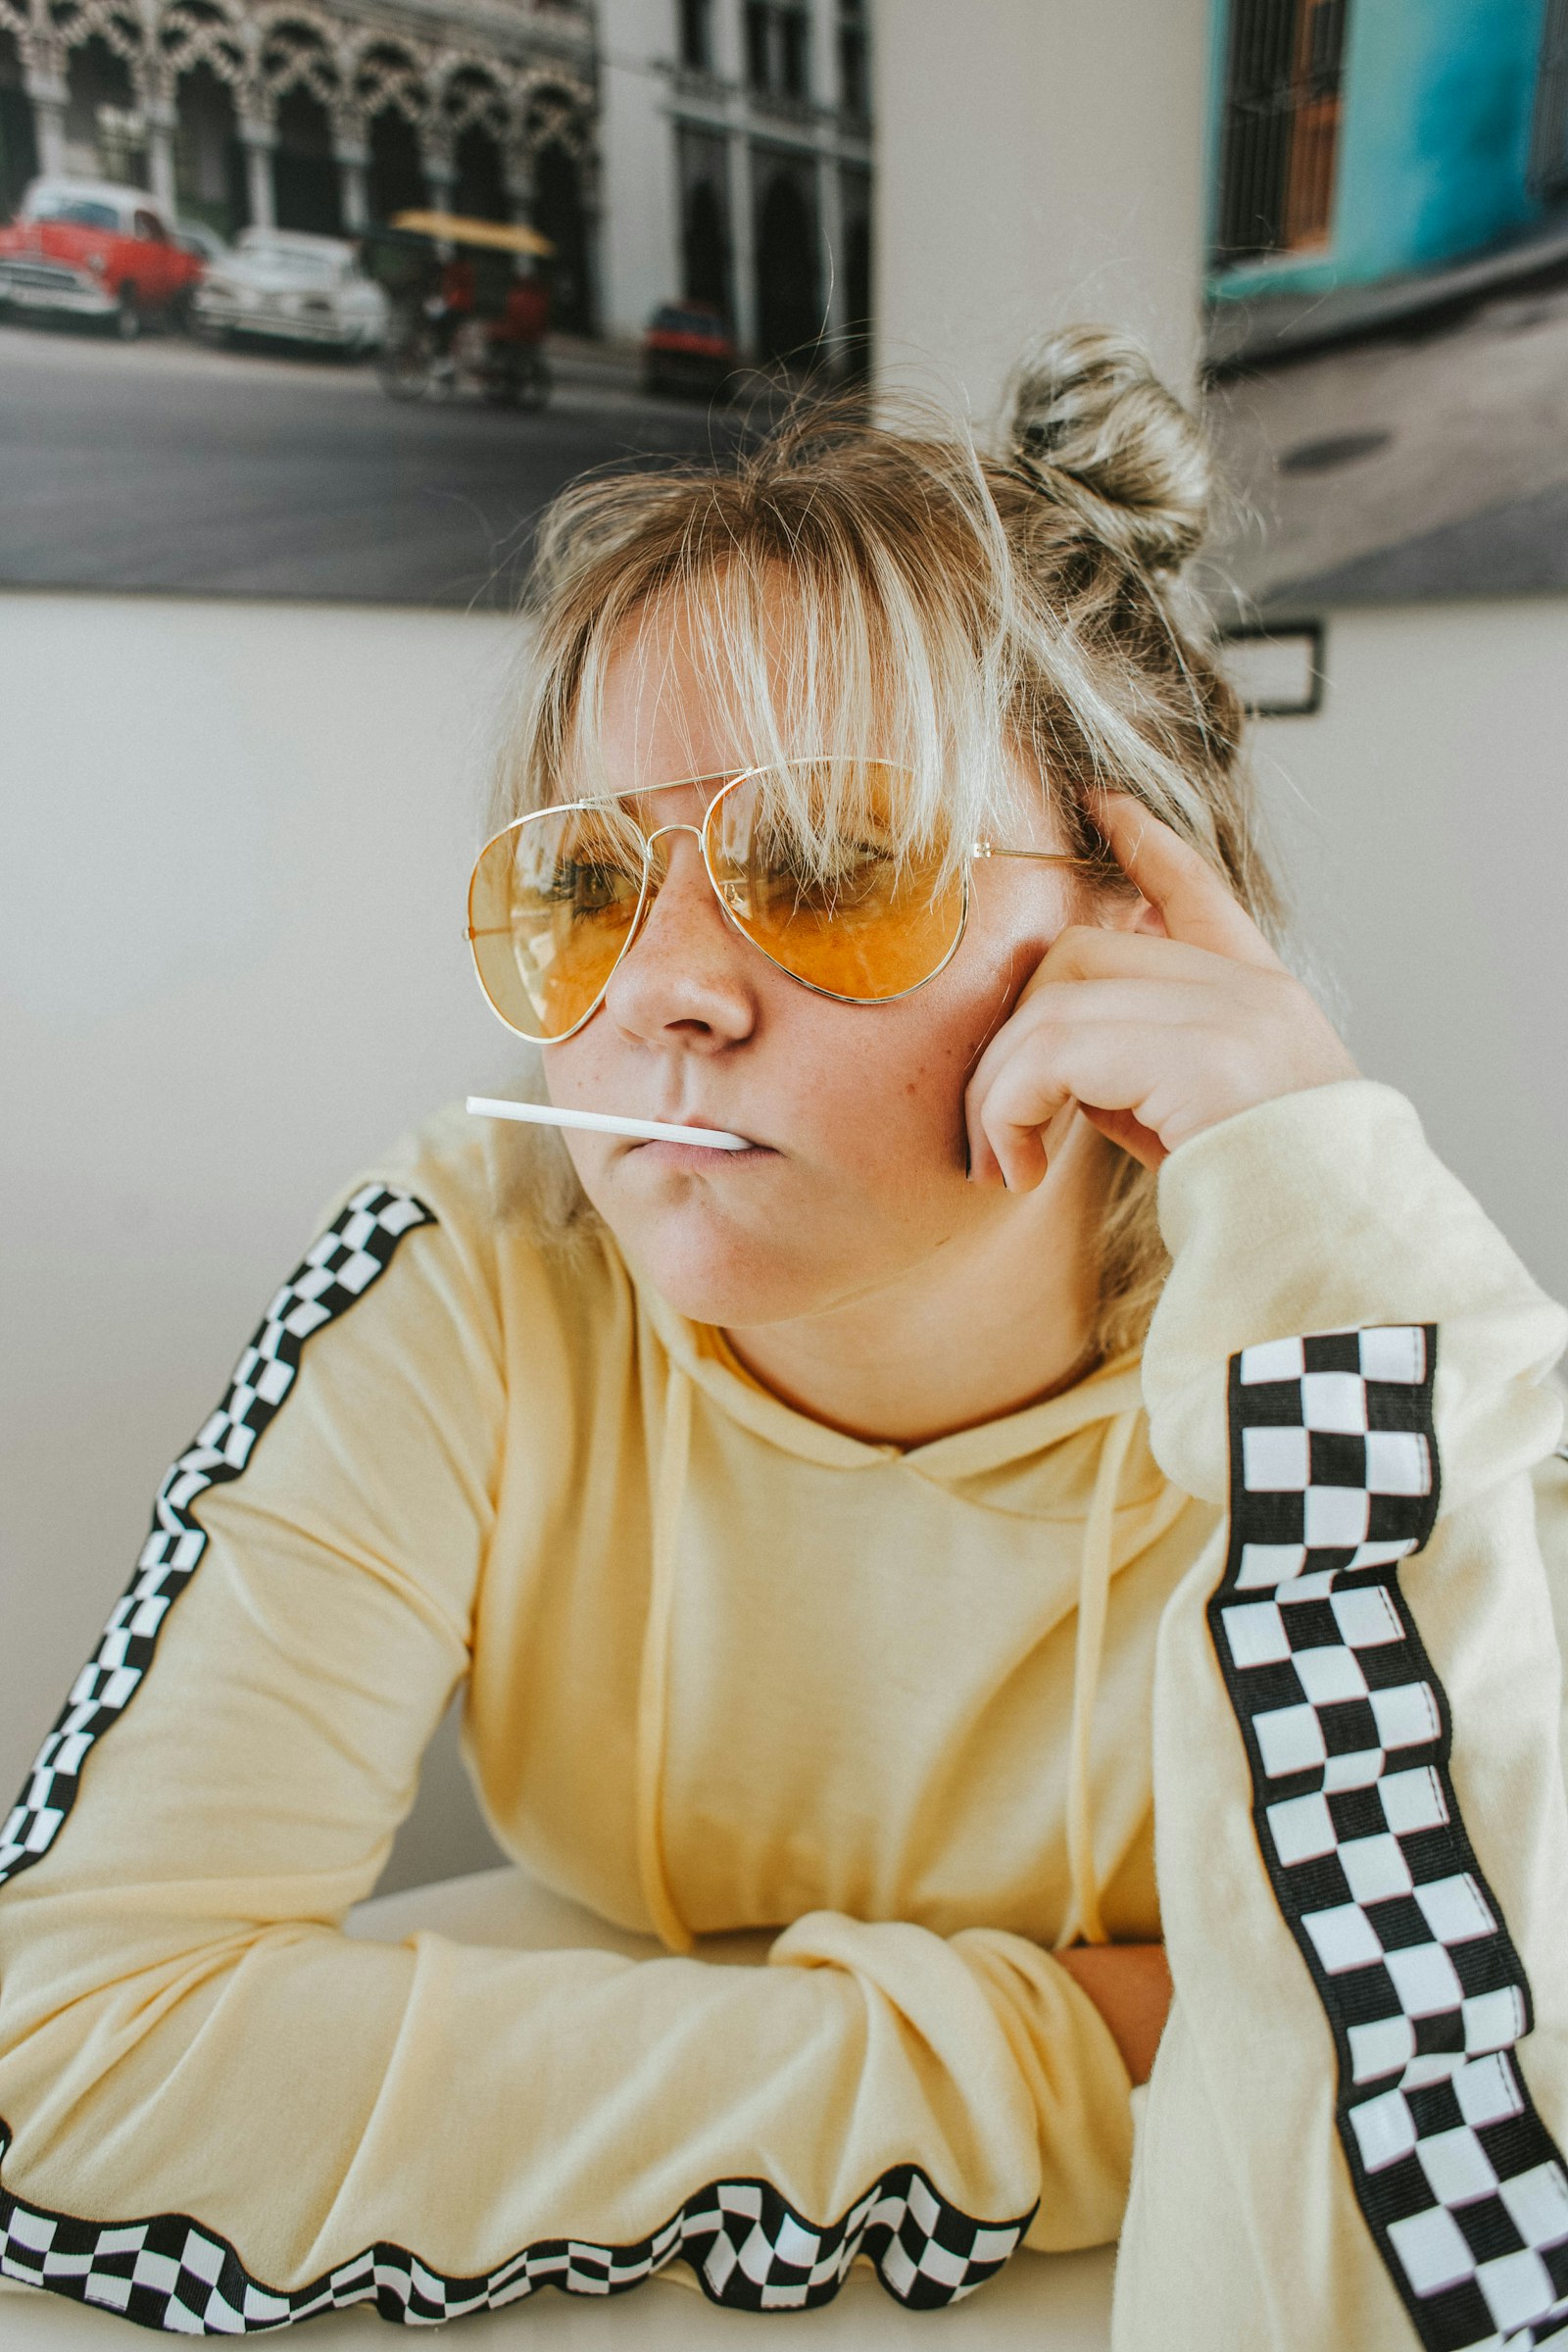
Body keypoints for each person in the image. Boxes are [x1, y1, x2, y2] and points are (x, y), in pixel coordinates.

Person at [2, 327, 1566, 2350]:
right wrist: (1067, 2055)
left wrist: (1328, 1225)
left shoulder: (1328, 1333)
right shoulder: (469, 1266)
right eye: (583, 885)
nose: (660, 990)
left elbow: (1478, 2180)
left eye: (828, 859)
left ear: (1131, 925)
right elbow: (69, 2044)